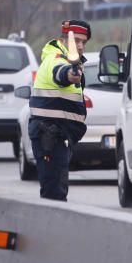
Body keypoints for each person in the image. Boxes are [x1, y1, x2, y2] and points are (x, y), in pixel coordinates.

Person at [28, 20, 90, 201]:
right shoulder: (55, 60)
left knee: (55, 191)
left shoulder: (65, 60)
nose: (80, 46)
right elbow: (60, 73)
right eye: (76, 41)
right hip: (50, 138)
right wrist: (70, 75)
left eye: (83, 42)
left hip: (57, 137)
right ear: (64, 40)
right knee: (54, 195)